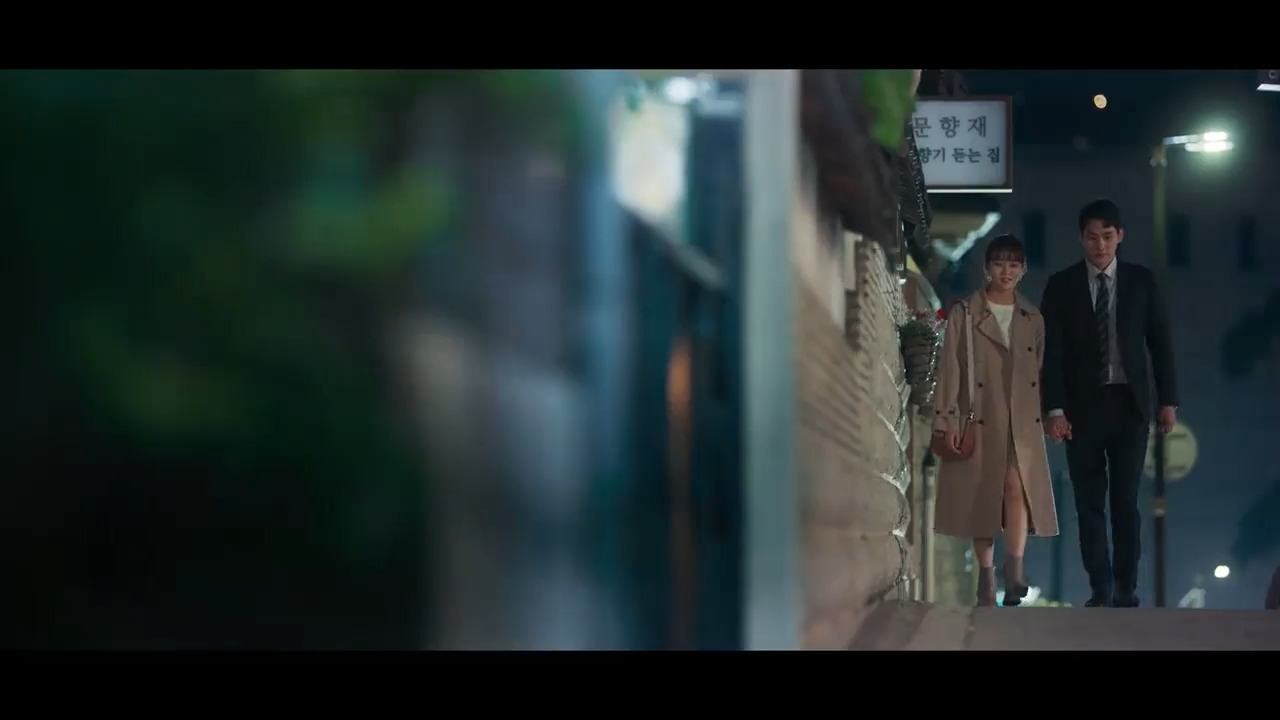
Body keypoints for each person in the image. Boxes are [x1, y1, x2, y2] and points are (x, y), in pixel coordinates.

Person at [1040, 198, 1179, 608]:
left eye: (1106, 236)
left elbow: (1160, 342)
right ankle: (1099, 586)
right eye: (1091, 237)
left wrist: (1168, 400)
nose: (1099, 245)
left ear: (1120, 236)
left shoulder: (1141, 281)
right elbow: (1051, 355)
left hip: (1129, 406)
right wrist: (1054, 409)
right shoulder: (1061, 286)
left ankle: (1126, 586)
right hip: (1081, 409)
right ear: (1080, 238)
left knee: (1125, 499)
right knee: (1088, 502)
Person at [933, 234, 1060, 607]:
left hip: (1021, 418)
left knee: (1016, 487)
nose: (1006, 271)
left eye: (1014, 264)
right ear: (987, 268)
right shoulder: (965, 312)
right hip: (979, 415)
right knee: (983, 494)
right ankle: (986, 578)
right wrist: (946, 420)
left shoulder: (1032, 317)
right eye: (1000, 263)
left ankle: (1014, 569)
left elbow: (1041, 370)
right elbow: (951, 368)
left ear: (1023, 271)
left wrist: (1050, 414)